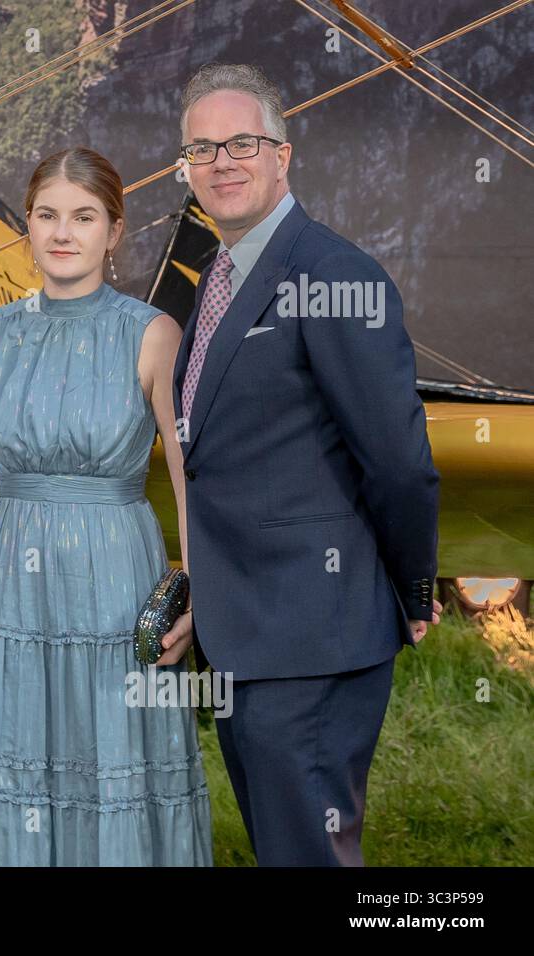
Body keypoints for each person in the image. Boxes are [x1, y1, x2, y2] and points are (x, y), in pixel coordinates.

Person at [173, 63, 441, 865]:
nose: (222, 161)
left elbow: (398, 460)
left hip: (312, 636)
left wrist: (413, 587)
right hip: (250, 633)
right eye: (202, 147)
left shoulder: (334, 275)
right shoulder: (220, 276)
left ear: (283, 154)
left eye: (242, 142)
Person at [0, 147, 213, 866]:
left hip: (115, 578)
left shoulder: (153, 333)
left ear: (114, 231)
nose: (64, 233)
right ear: (27, 226)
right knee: (18, 746)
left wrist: (200, 597)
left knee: (111, 748)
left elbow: (191, 479)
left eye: (84, 217)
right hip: (12, 584)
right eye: (47, 215)